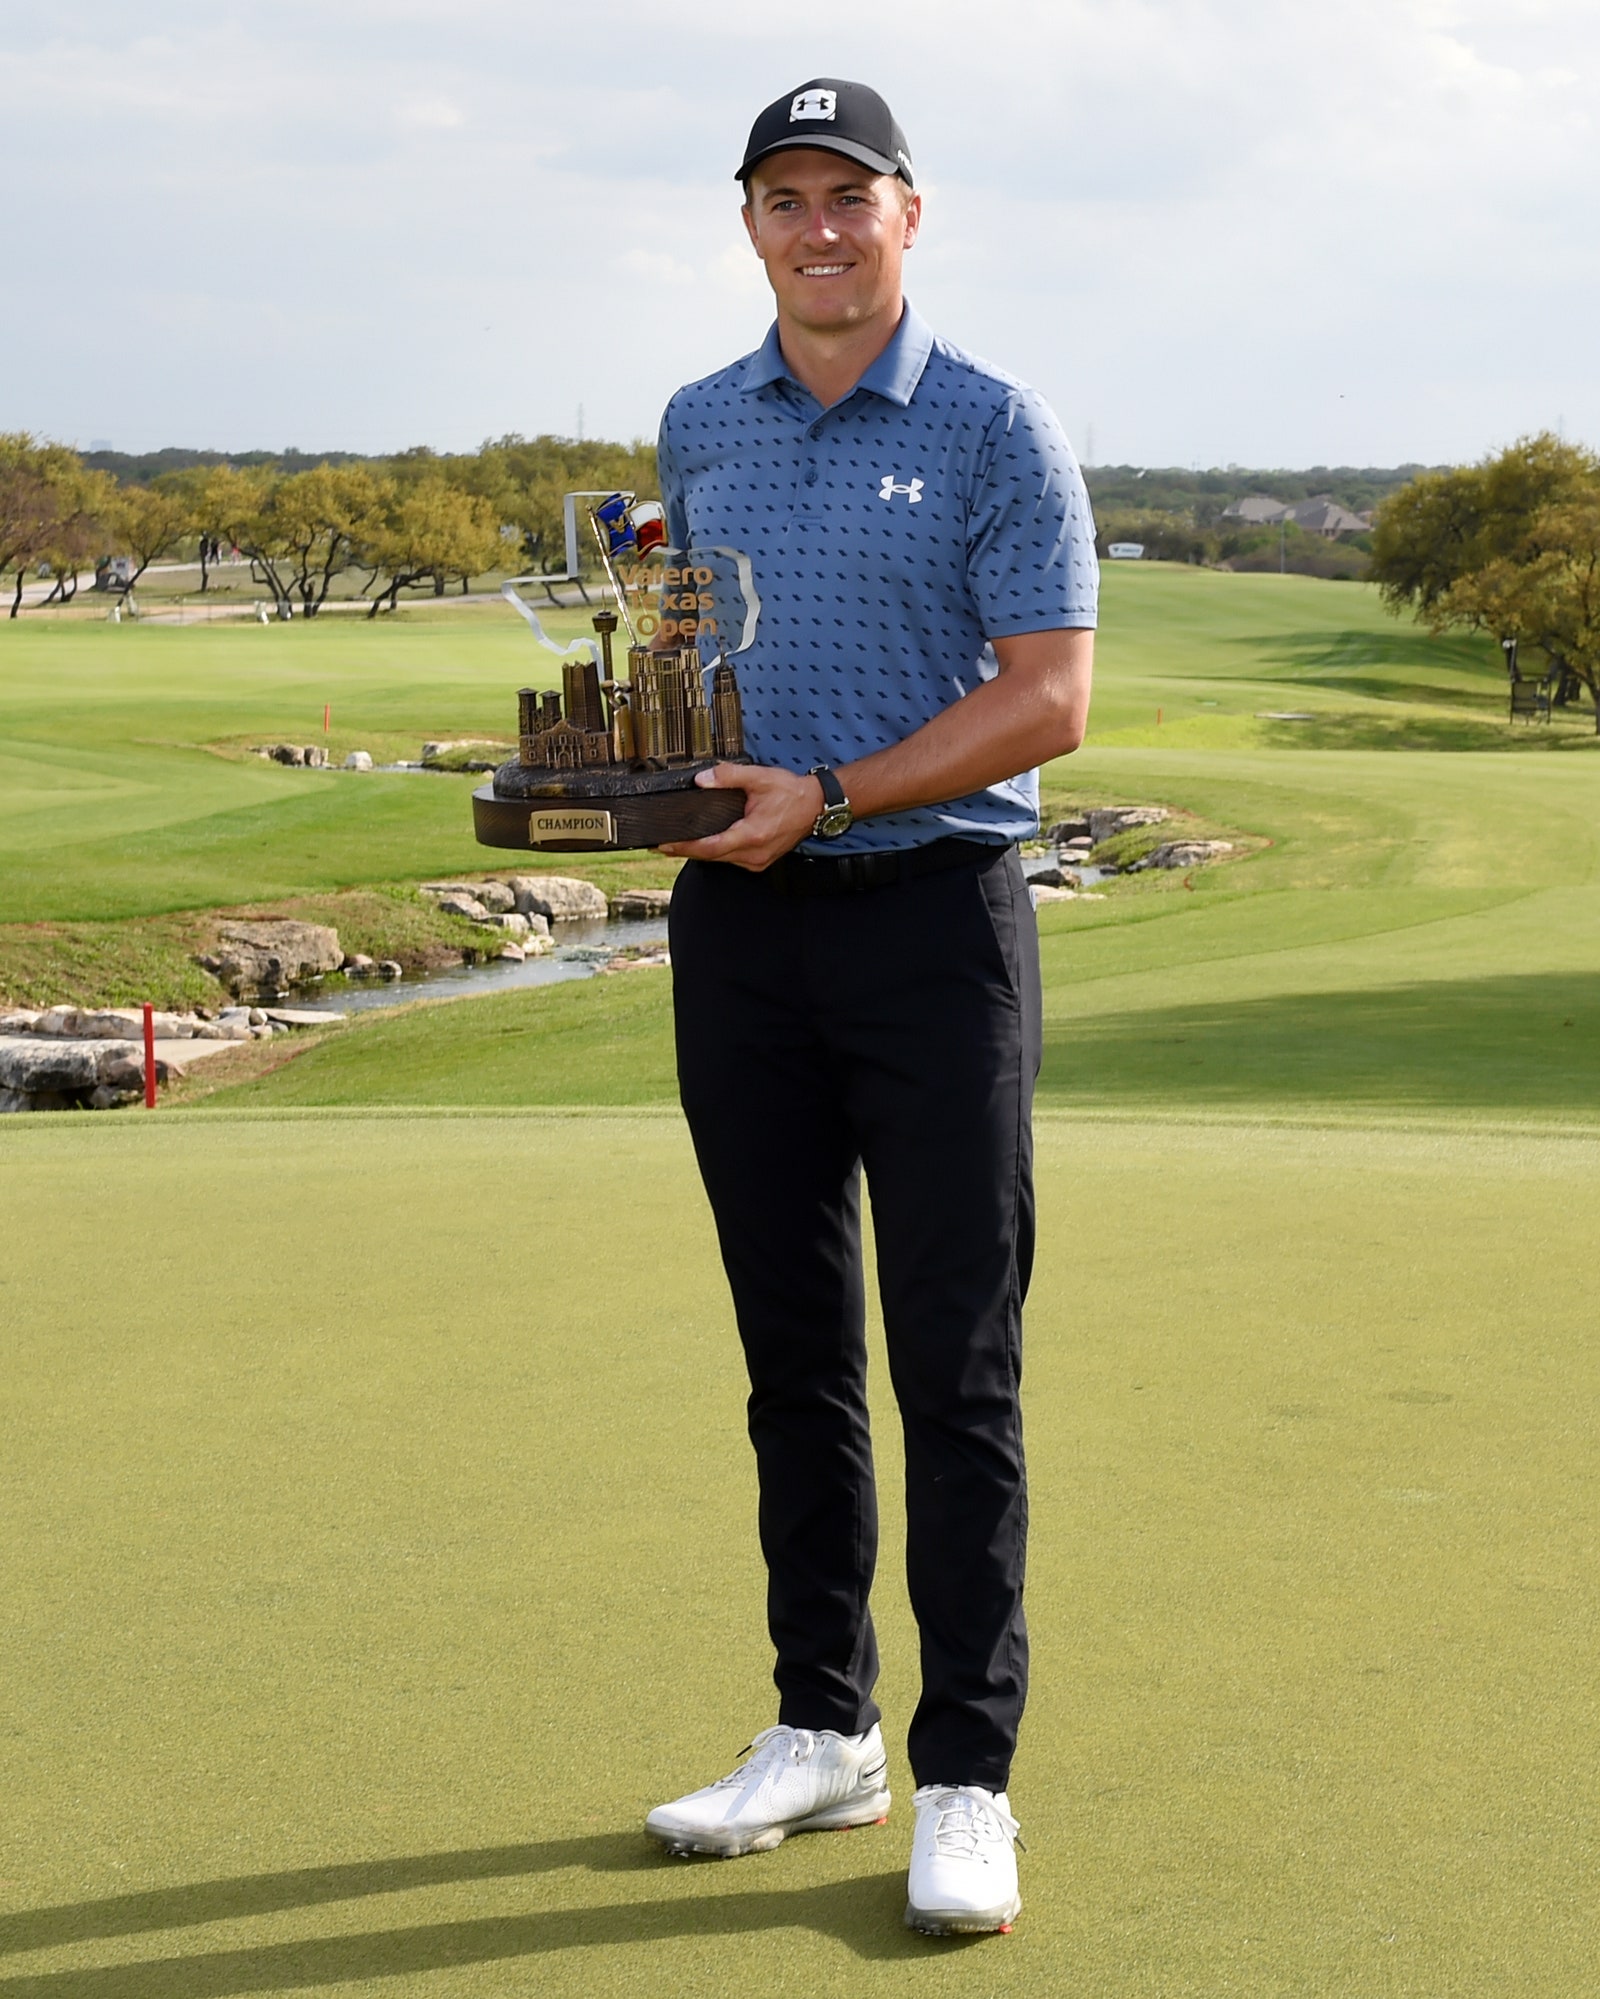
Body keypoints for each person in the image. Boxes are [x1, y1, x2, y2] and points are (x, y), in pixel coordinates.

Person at [645, 77, 1097, 1938]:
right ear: (747, 225)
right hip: (739, 929)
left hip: (933, 928)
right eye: (782, 199)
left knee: (955, 1365)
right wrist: (665, 774)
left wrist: (830, 797)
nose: (817, 229)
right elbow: (687, 659)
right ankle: (822, 1727)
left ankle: (969, 1769)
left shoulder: (996, 425)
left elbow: (1049, 700)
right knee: (792, 1349)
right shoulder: (697, 424)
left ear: (912, 215)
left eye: (850, 196)